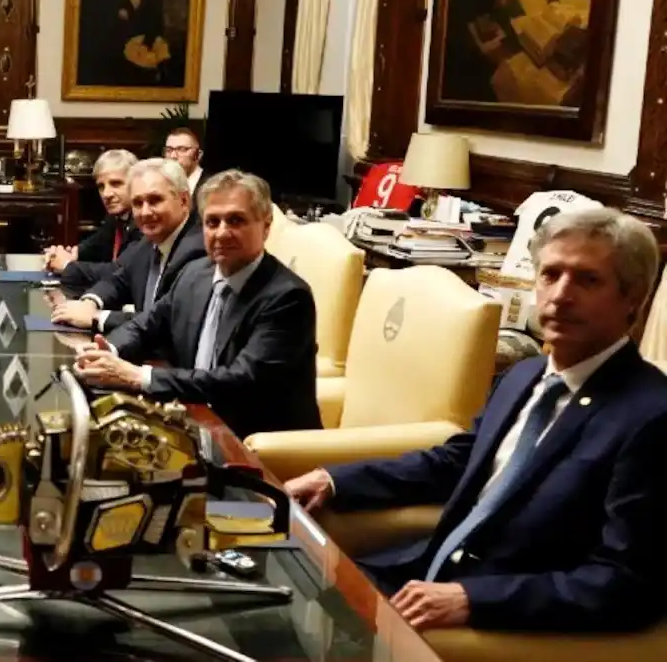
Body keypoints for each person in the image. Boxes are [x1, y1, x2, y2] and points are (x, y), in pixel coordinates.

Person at [285, 208, 667, 633]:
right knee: (262, 577)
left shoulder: (651, 416)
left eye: (587, 279)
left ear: (633, 298)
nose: (560, 294)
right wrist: (333, 480)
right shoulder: (524, 374)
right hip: (415, 571)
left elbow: (628, 582)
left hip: (488, 615)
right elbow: (454, 463)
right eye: (550, 274)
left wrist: (474, 601)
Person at [74, 170, 320, 438]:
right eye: (212, 222)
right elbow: (147, 325)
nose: (222, 233)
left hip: (253, 441)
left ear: (266, 225)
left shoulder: (287, 297)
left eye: (236, 220)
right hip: (193, 419)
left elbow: (241, 382)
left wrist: (138, 376)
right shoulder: (195, 273)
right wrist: (106, 350)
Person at [51, 158, 204, 333]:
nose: (145, 212)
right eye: (138, 203)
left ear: (184, 200)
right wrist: (89, 302)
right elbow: (118, 279)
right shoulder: (149, 242)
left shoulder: (196, 249)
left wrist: (96, 317)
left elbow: (164, 320)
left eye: (155, 201)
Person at [45, 149, 140, 281]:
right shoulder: (115, 217)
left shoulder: (144, 221)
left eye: (116, 184)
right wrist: (67, 254)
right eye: (101, 186)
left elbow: (122, 271)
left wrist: (67, 265)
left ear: (135, 184)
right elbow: (94, 245)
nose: (106, 194)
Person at [163, 127, 207, 199]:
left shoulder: (211, 186)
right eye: (169, 150)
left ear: (198, 155)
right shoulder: (162, 184)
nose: (173, 156)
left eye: (182, 149)